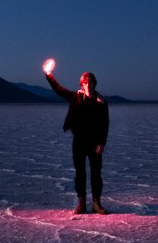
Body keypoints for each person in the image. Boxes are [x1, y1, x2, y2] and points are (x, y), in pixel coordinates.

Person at [44, 64, 110, 215]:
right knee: (80, 173)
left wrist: (102, 142)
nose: (88, 84)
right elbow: (58, 90)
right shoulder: (75, 97)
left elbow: (105, 124)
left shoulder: (102, 102)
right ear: (82, 84)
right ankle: (81, 203)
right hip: (79, 142)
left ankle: (96, 204)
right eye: (85, 82)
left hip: (95, 143)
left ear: (94, 84)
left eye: (91, 82)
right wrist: (49, 75)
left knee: (96, 174)